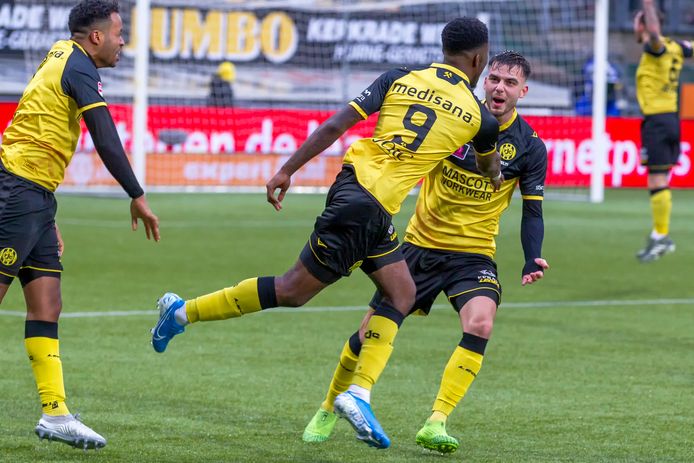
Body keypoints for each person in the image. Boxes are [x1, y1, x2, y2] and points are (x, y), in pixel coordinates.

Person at [151, 17, 501, 449]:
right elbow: (488, 165)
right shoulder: (480, 118)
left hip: (359, 195)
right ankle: (182, 313)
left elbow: (335, 126)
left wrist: (287, 169)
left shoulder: (399, 78)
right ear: (479, 59)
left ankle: (358, 393)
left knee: (401, 293)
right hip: (367, 207)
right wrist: (495, 172)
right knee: (292, 290)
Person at [301, 51, 549, 454]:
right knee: (366, 334)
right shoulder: (459, 117)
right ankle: (329, 406)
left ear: (523, 91)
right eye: (494, 79)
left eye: (509, 83)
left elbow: (533, 210)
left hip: (474, 255)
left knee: (481, 323)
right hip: (420, 245)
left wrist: (531, 255)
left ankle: (437, 422)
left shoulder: (530, 147)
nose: (499, 88)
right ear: (484, 80)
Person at [0, 0, 160, 450]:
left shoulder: (62, 54)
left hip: (34, 196)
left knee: (47, 303)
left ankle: (55, 414)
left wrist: (44, 215)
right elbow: (105, 137)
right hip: (17, 191)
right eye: (119, 34)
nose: (122, 42)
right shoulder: (79, 66)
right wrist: (136, 194)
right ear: (96, 37)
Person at [633, 0, 692, 262]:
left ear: (644, 25)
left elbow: (655, 35)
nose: (634, 27)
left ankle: (661, 236)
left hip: (657, 122)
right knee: (661, 179)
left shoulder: (654, 47)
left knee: (656, 180)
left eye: (637, 22)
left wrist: (648, 5)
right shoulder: (677, 46)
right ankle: (660, 235)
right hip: (671, 119)